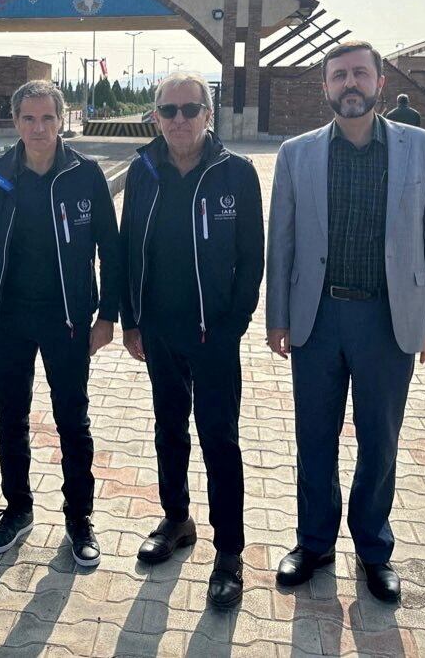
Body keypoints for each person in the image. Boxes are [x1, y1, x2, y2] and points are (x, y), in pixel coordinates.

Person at [266, 41, 425, 603]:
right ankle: (315, 542)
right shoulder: (296, 154)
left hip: (388, 319)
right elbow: (284, 242)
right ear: (325, 87)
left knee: (380, 440)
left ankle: (374, 549)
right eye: (338, 76)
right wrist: (278, 316)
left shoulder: (423, 149)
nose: (350, 84)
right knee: (314, 438)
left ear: (378, 82)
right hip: (317, 319)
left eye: (359, 75)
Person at [120, 72, 264, 609]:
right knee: (168, 429)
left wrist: (235, 325)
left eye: (189, 109)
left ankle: (230, 552)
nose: (179, 119)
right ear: (155, 116)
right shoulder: (143, 170)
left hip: (215, 334)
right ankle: (177, 520)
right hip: (159, 329)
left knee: (220, 440)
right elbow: (128, 243)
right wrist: (130, 318)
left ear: (209, 113)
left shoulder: (236, 174)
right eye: (169, 110)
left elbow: (253, 258)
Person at [0, 79, 121, 567]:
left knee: (72, 422)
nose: (39, 128)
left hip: (69, 320)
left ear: (62, 120)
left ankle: (79, 518)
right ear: (16, 123)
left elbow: (110, 250)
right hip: (11, 319)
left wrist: (108, 316)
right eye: (29, 119)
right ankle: (17, 509)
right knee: (9, 419)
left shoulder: (85, 174)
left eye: (48, 118)